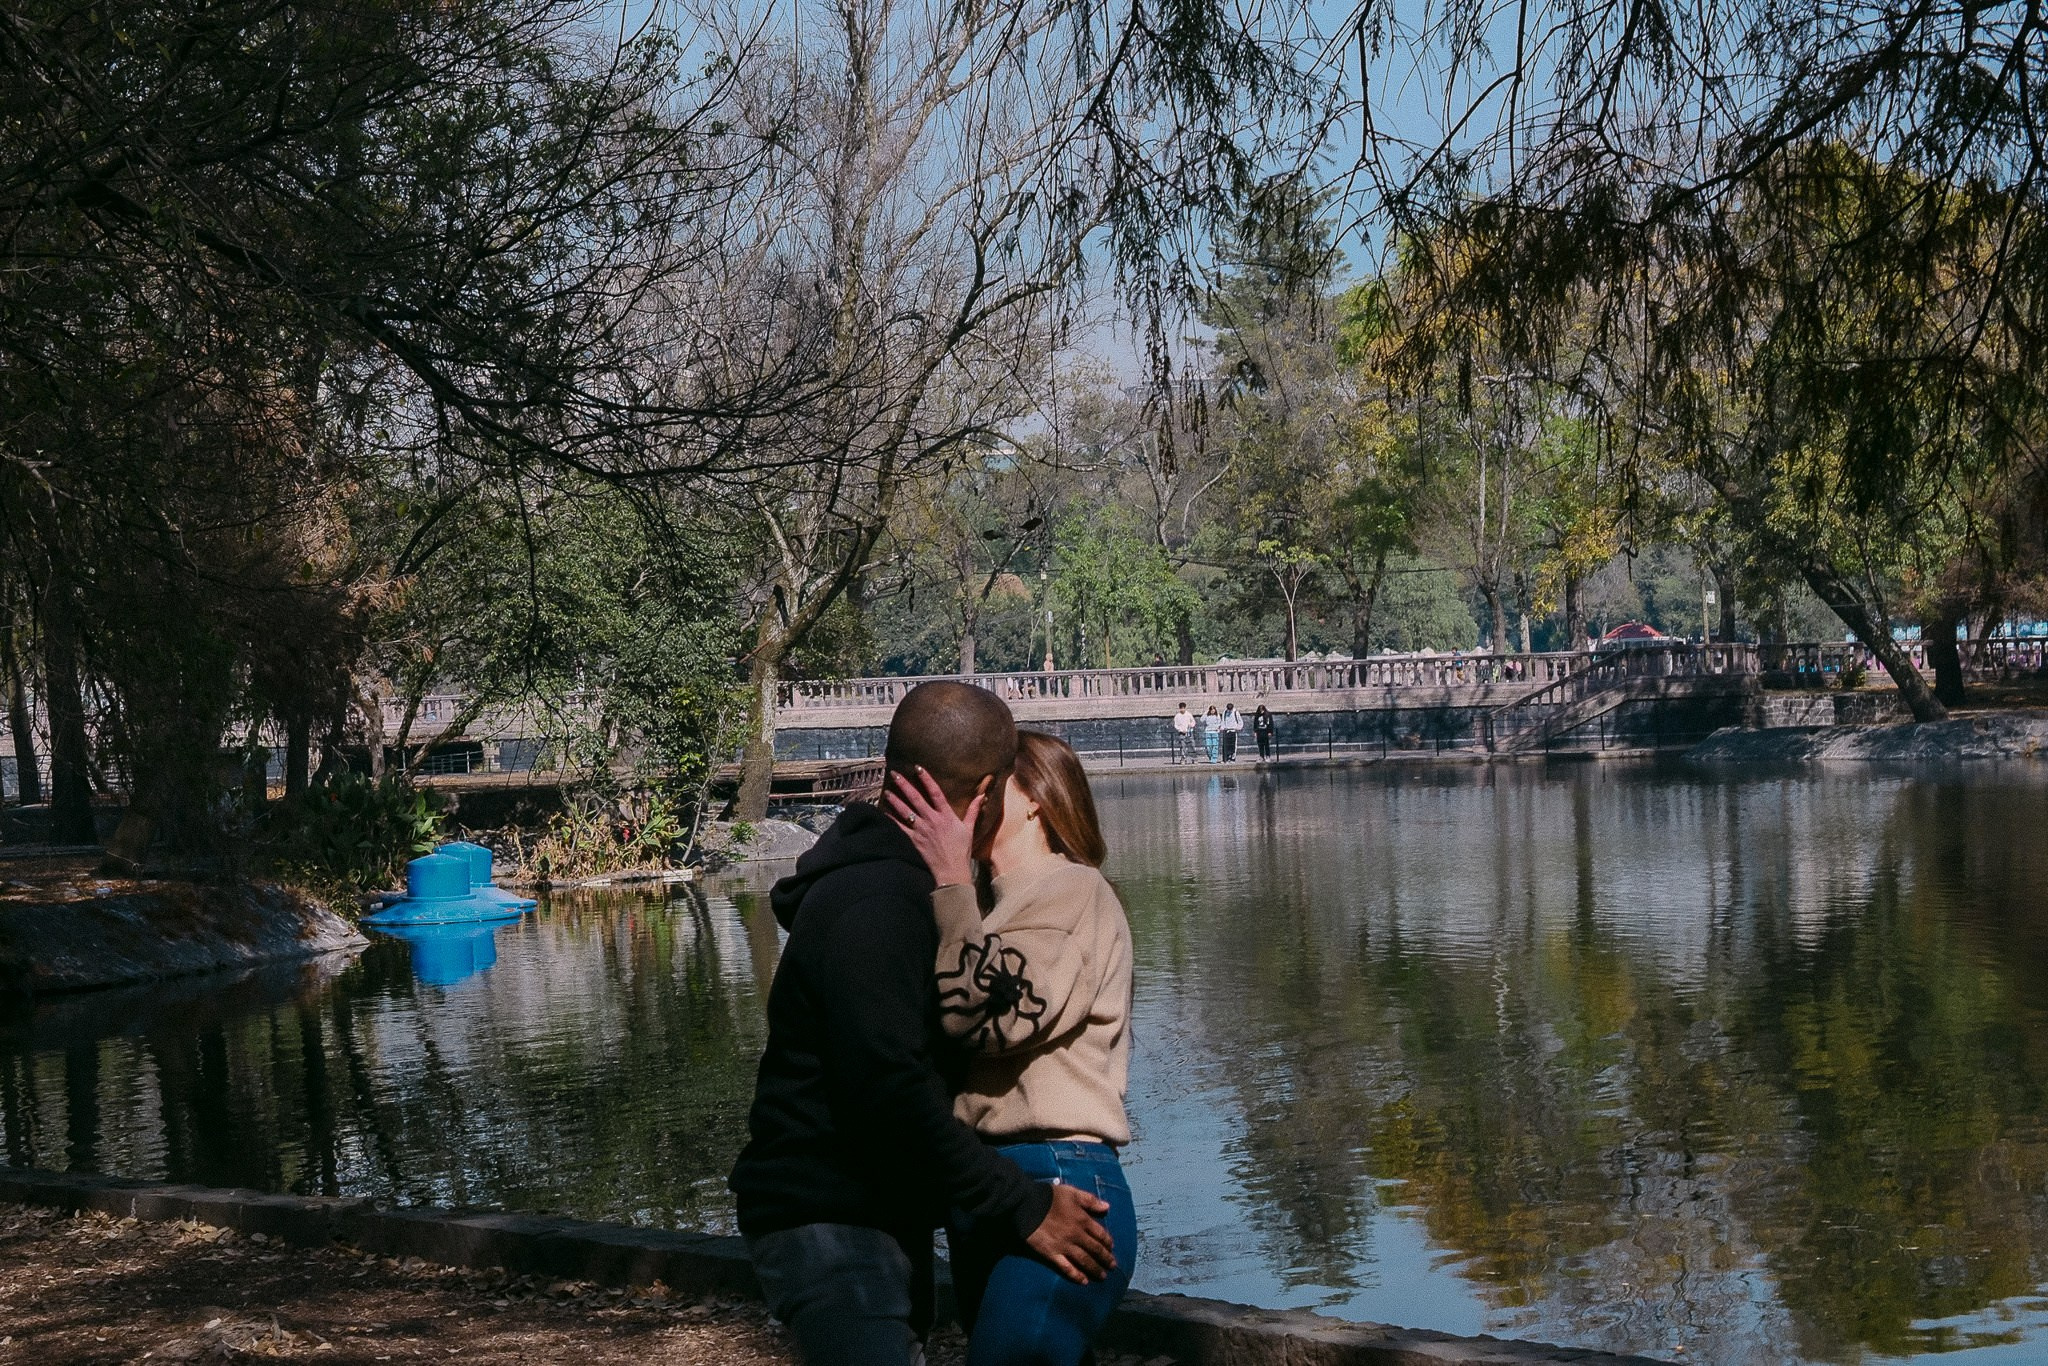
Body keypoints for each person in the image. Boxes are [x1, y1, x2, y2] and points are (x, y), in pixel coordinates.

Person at [729, 682, 1116, 1366]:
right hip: (830, 1221)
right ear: (990, 791)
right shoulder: (879, 904)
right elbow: (889, 1091)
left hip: (870, 1214)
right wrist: (1023, 1205)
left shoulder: (892, 890)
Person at [884, 733, 1136, 1366]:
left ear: (1035, 801)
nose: (979, 787)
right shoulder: (992, 906)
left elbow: (990, 1021)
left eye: (998, 777)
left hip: (1061, 1179)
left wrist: (948, 880)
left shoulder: (1070, 891)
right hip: (995, 1186)